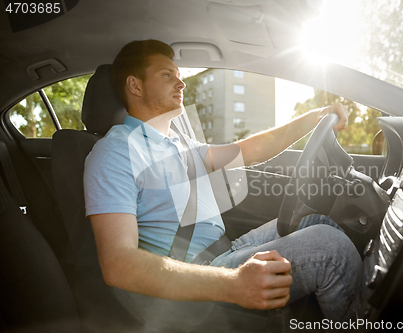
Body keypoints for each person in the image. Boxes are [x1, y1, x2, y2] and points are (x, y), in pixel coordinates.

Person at [84, 40, 362, 326]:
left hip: (224, 250)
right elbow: (119, 265)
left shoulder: (178, 145)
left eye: (179, 76)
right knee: (332, 250)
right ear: (136, 86)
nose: (181, 84)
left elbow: (246, 152)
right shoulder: (115, 153)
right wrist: (233, 283)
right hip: (196, 272)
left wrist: (313, 119)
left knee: (318, 220)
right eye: (167, 75)